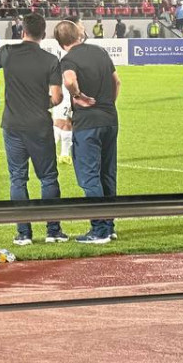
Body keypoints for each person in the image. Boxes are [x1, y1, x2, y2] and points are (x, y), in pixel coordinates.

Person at [0, 13, 67, 246]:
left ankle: (23, 234)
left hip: (13, 125)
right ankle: (53, 231)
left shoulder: (7, 52)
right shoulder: (50, 60)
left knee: (18, 179)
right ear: (44, 34)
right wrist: (40, 102)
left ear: (22, 31)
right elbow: (57, 97)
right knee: (48, 178)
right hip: (39, 125)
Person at [56, 19, 120, 244]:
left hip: (87, 124)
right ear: (78, 35)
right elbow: (117, 82)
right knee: (107, 174)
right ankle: (109, 226)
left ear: (61, 43)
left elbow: (69, 80)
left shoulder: (68, 59)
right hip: (110, 119)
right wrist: (107, 105)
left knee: (90, 176)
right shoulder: (100, 51)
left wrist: (78, 96)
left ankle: (99, 230)